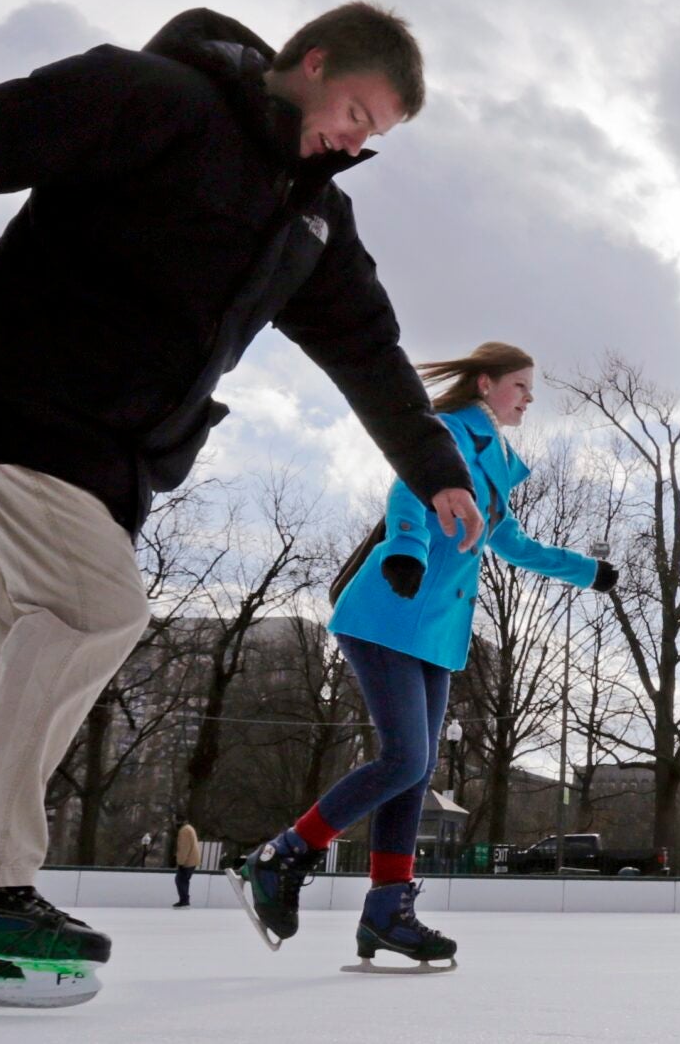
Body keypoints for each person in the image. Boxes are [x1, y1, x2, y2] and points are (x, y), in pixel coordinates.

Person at [0, 3, 485, 1008]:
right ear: (312, 62)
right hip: (18, 398)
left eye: (377, 134)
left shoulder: (313, 215)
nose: (356, 139)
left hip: (112, 460)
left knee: (22, 664)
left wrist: (434, 468)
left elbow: (367, 350)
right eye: (354, 110)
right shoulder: (158, 97)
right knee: (92, 613)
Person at [239, 345, 613, 969]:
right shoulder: (445, 435)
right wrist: (406, 550)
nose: (528, 399)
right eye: (520, 386)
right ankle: (282, 856)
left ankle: (387, 910)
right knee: (406, 757)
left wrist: (590, 572)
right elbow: (412, 490)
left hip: (433, 634)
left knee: (413, 770)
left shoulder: (491, 461)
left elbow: (513, 543)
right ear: (487, 384)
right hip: (391, 609)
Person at [172, 819, 200, 908]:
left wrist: (180, 862)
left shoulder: (184, 831)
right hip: (193, 859)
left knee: (180, 880)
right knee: (183, 880)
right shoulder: (189, 828)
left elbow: (184, 848)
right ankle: (184, 900)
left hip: (188, 861)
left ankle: (184, 901)